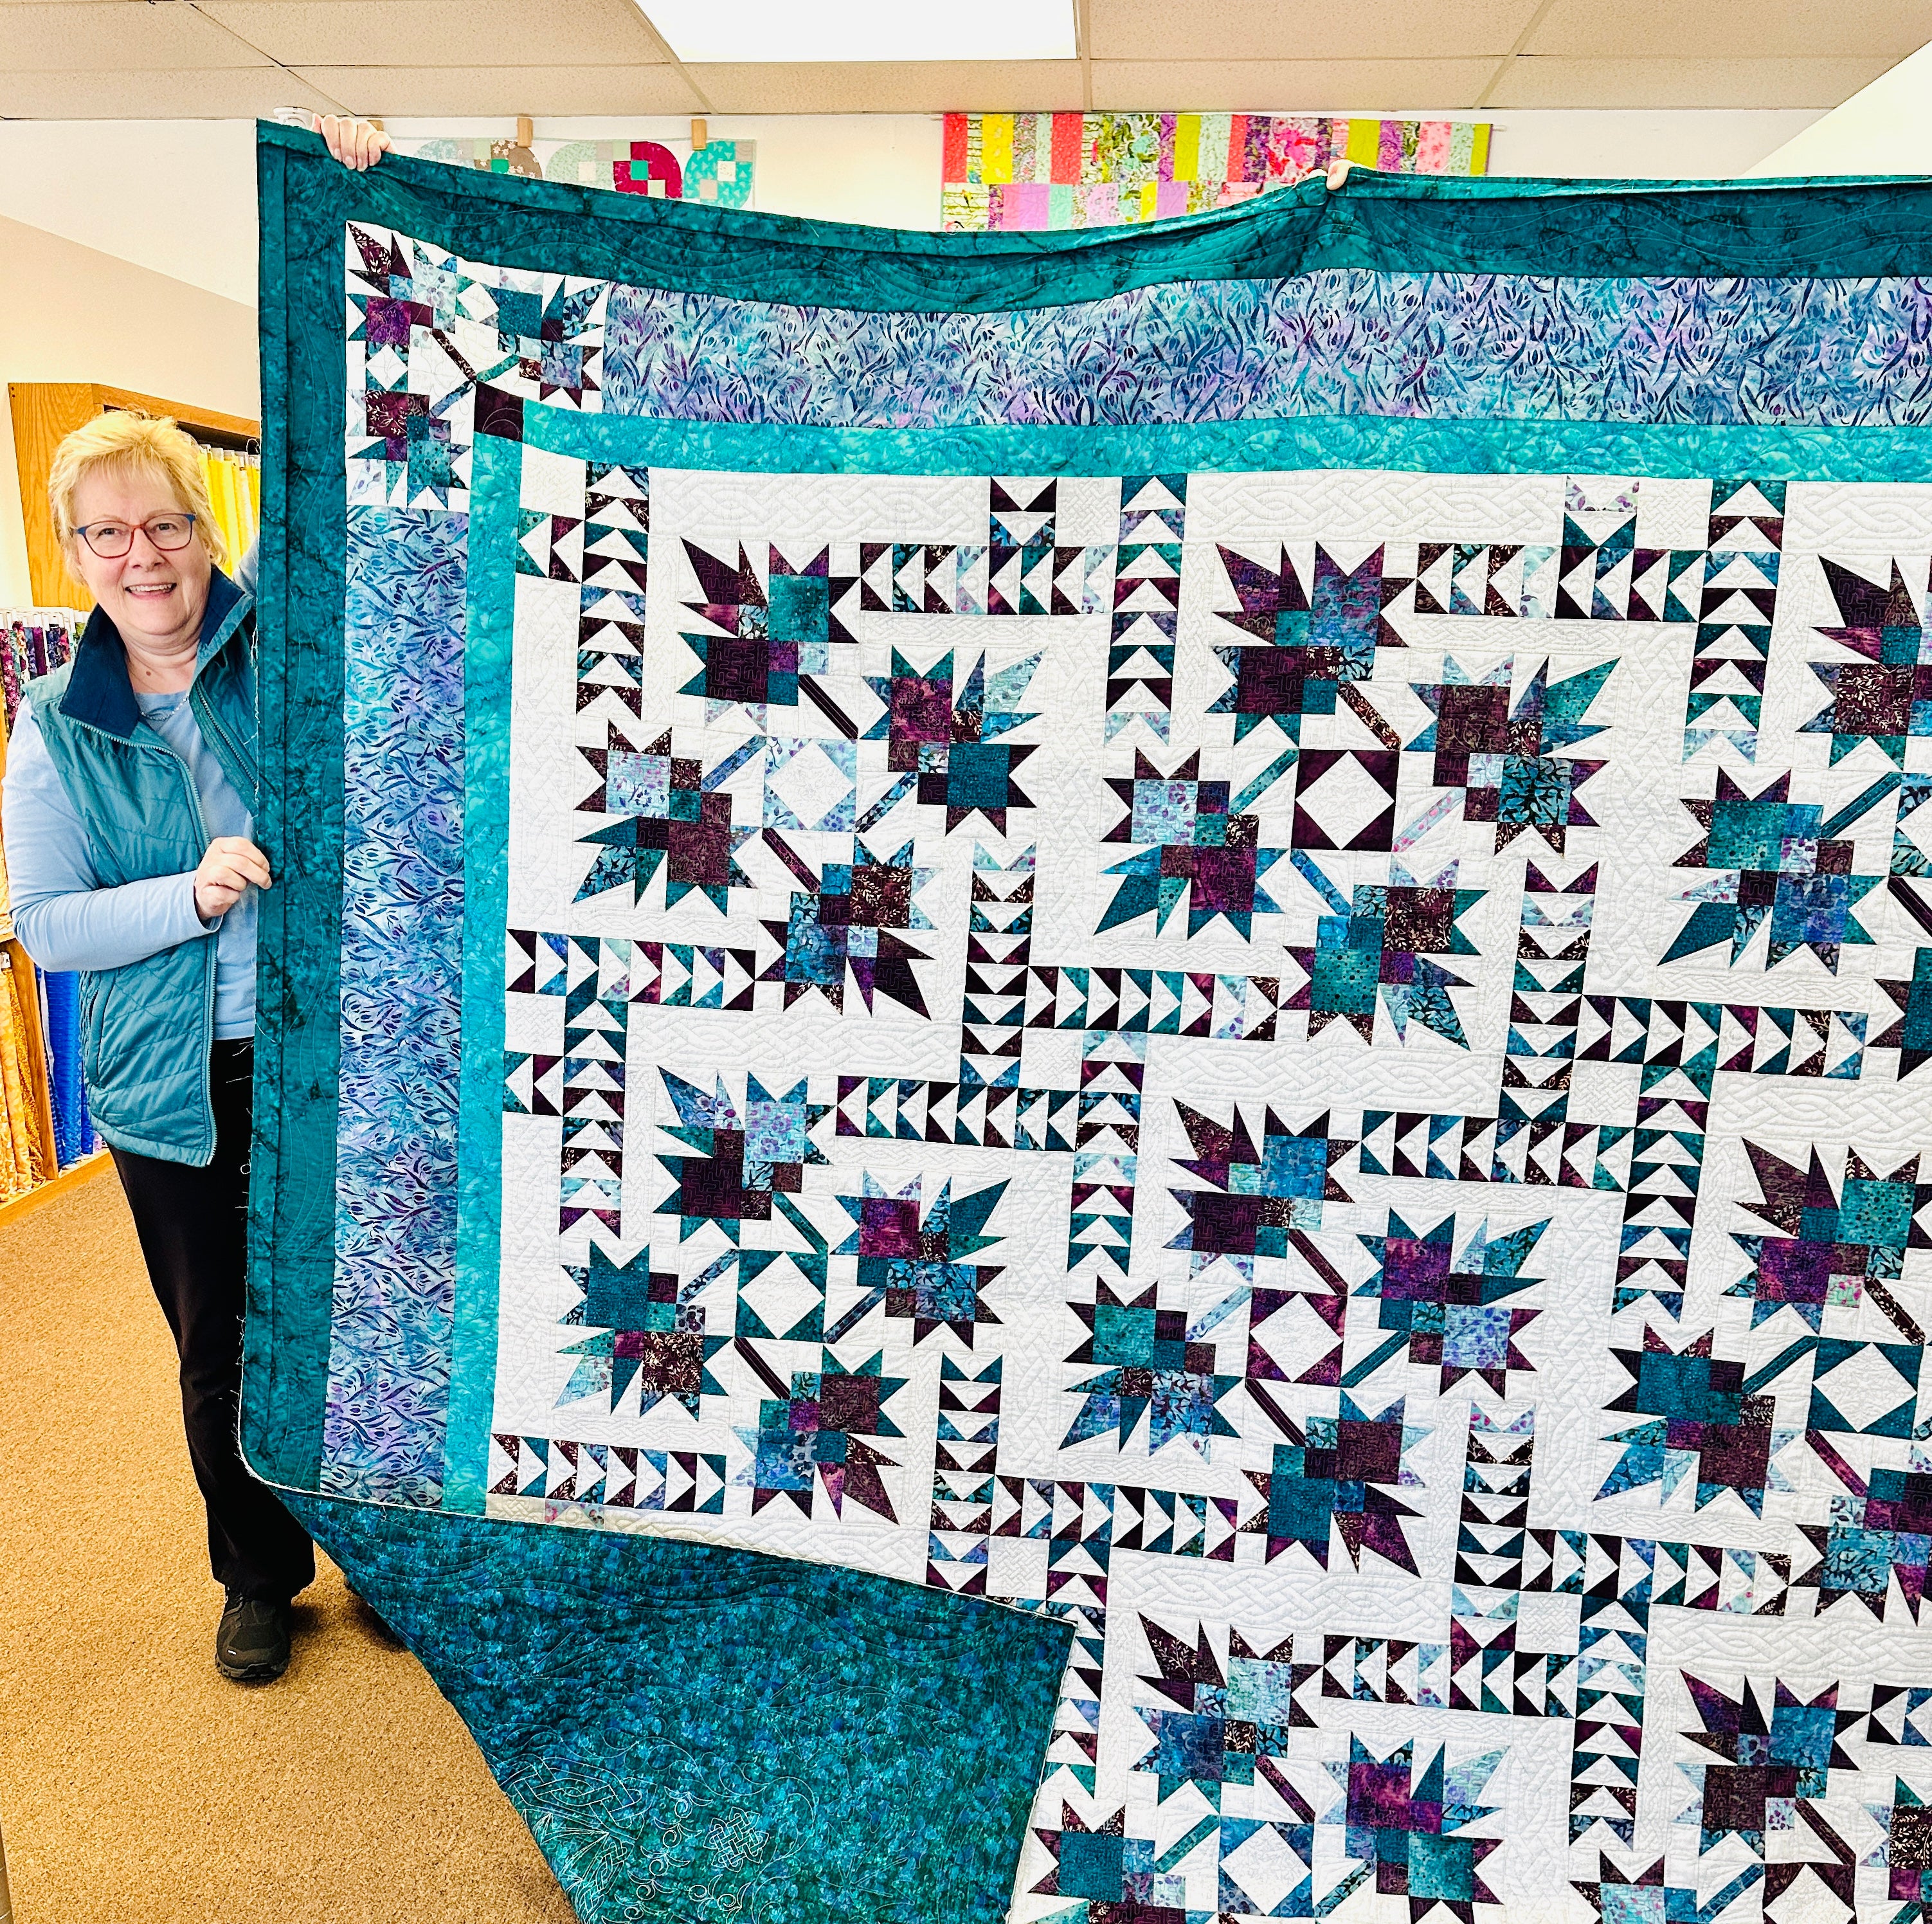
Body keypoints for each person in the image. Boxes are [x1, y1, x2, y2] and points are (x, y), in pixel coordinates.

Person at [0, 115, 390, 1684]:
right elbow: (49, 928)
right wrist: (195, 888)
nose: (139, 553)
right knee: (218, 1349)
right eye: (104, 533)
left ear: (205, 522)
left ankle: (386, 1554)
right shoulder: (57, 726)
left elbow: (387, 479)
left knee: (364, 1336)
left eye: (163, 520)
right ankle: (255, 1570)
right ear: (75, 552)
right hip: (181, 1087)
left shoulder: (293, 643)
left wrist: (370, 215)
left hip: (341, 1053)